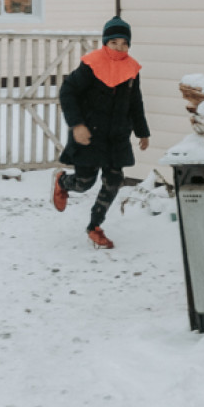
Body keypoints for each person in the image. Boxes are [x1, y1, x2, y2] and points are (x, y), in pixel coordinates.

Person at [52, 16, 150, 248]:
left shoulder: (132, 70)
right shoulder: (90, 65)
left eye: (124, 43)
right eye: (114, 42)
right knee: (85, 182)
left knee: (114, 181)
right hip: (89, 134)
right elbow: (67, 92)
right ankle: (63, 182)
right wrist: (77, 125)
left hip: (117, 137)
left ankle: (94, 226)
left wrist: (142, 132)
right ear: (105, 42)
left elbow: (136, 103)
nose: (119, 47)